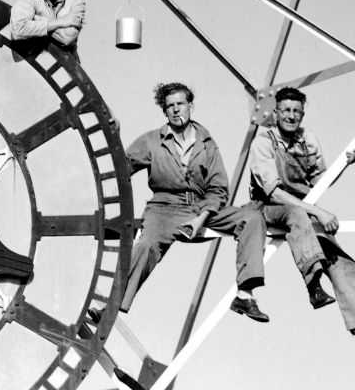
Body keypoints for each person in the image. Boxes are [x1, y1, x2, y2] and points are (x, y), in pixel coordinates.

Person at [247, 86, 355, 358]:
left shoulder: (307, 139)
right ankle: (313, 283)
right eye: (286, 110)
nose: (291, 116)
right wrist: (318, 212)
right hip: (268, 207)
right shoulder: (264, 141)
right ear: (276, 112)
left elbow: (319, 182)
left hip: (302, 210)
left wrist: (346, 164)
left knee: (343, 263)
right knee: (301, 215)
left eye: (297, 112)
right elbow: (272, 191)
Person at [89, 82, 270, 324]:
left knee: (252, 218)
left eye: (180, 104)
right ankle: (109, 307)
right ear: (165, 111)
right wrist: (113, 135)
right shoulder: (151, 141)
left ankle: (245, 295)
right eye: (170, 106)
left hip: (202, 207)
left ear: (190, 106)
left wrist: (201, 219)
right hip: (164, 209)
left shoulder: (207, 143)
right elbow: (120, 169)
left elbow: (218, 189)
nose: (176, 110)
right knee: (146, 245)